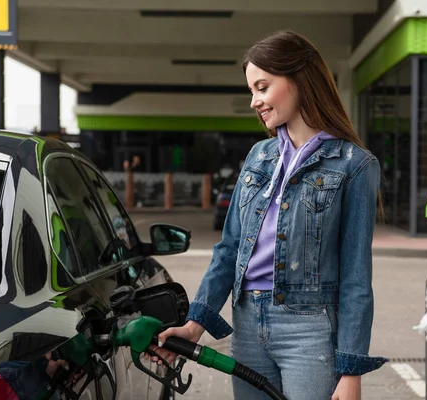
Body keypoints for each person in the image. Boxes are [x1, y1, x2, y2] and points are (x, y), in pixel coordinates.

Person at [147, 30, 388, 400]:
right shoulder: (259, 156)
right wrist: (196, 323)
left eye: (262, 87)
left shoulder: (354, 166)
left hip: (309, 332)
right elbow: (228, 250)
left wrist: (351, 370)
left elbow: (357, 278)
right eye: (251, 91)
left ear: (299, 79)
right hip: (247, 325)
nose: (254, 101)